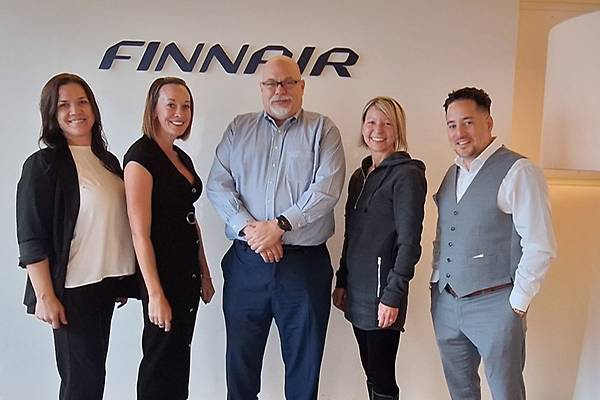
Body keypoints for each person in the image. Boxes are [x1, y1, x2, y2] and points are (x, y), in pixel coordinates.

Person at [206, 55, 345, 400]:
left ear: (302, 86)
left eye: (288, 82)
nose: (280, 90)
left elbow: (326, 190)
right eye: (272, 83)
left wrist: (280, 226)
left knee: (303, 369)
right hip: (246, 264)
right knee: (240, 368)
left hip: (303, 267)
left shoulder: (322, 130)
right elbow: (218, 185)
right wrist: (252, 230)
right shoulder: (239, 128)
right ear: (261, 88)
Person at [430, 87, 557, 400]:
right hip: (447, 303)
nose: (459, 133)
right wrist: (436, 284)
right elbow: (445, 234)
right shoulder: (452, 174)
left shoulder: (519, 171)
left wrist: (516, 305)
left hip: (496, 305)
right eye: (452, 125)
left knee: (506, 393)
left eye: (468, 122)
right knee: (461, 393)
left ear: (488, 122)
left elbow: (540, 245)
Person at [16, 73, 137, 400]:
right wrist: (45, 295)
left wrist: (119, 280)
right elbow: (31, 236)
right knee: (81, 385)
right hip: (72, 290)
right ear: (51, 114)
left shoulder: (107, 162)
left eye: (82, 102)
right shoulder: (43, 165)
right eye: (64, 105)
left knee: (93, 377)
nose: (75, 111)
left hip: (105, 286)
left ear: (93, 108)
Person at [123, 77, 215, 400]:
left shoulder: (180, 157)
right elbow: (139, 233)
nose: (180, 113)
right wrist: (155, 294)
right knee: (159, 359)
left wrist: (204, 273)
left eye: (186, 106)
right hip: (162, 277)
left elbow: (190, 218)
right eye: (171, 105)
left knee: (178, 355)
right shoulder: (140, 158)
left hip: (186, 274)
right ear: (154, 109)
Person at [332, 96, 426, 400]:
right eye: (371, 122)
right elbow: (351, 234)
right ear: (363, 127)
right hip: (356, 292)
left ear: (398, 129)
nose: (378, 130)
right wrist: (342, 280)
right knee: (371, 373)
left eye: (387, 123)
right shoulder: (359, 177)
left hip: (384, 295)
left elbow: (409, 243)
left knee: (383, 377)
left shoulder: (407, 175)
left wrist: (393, 295)